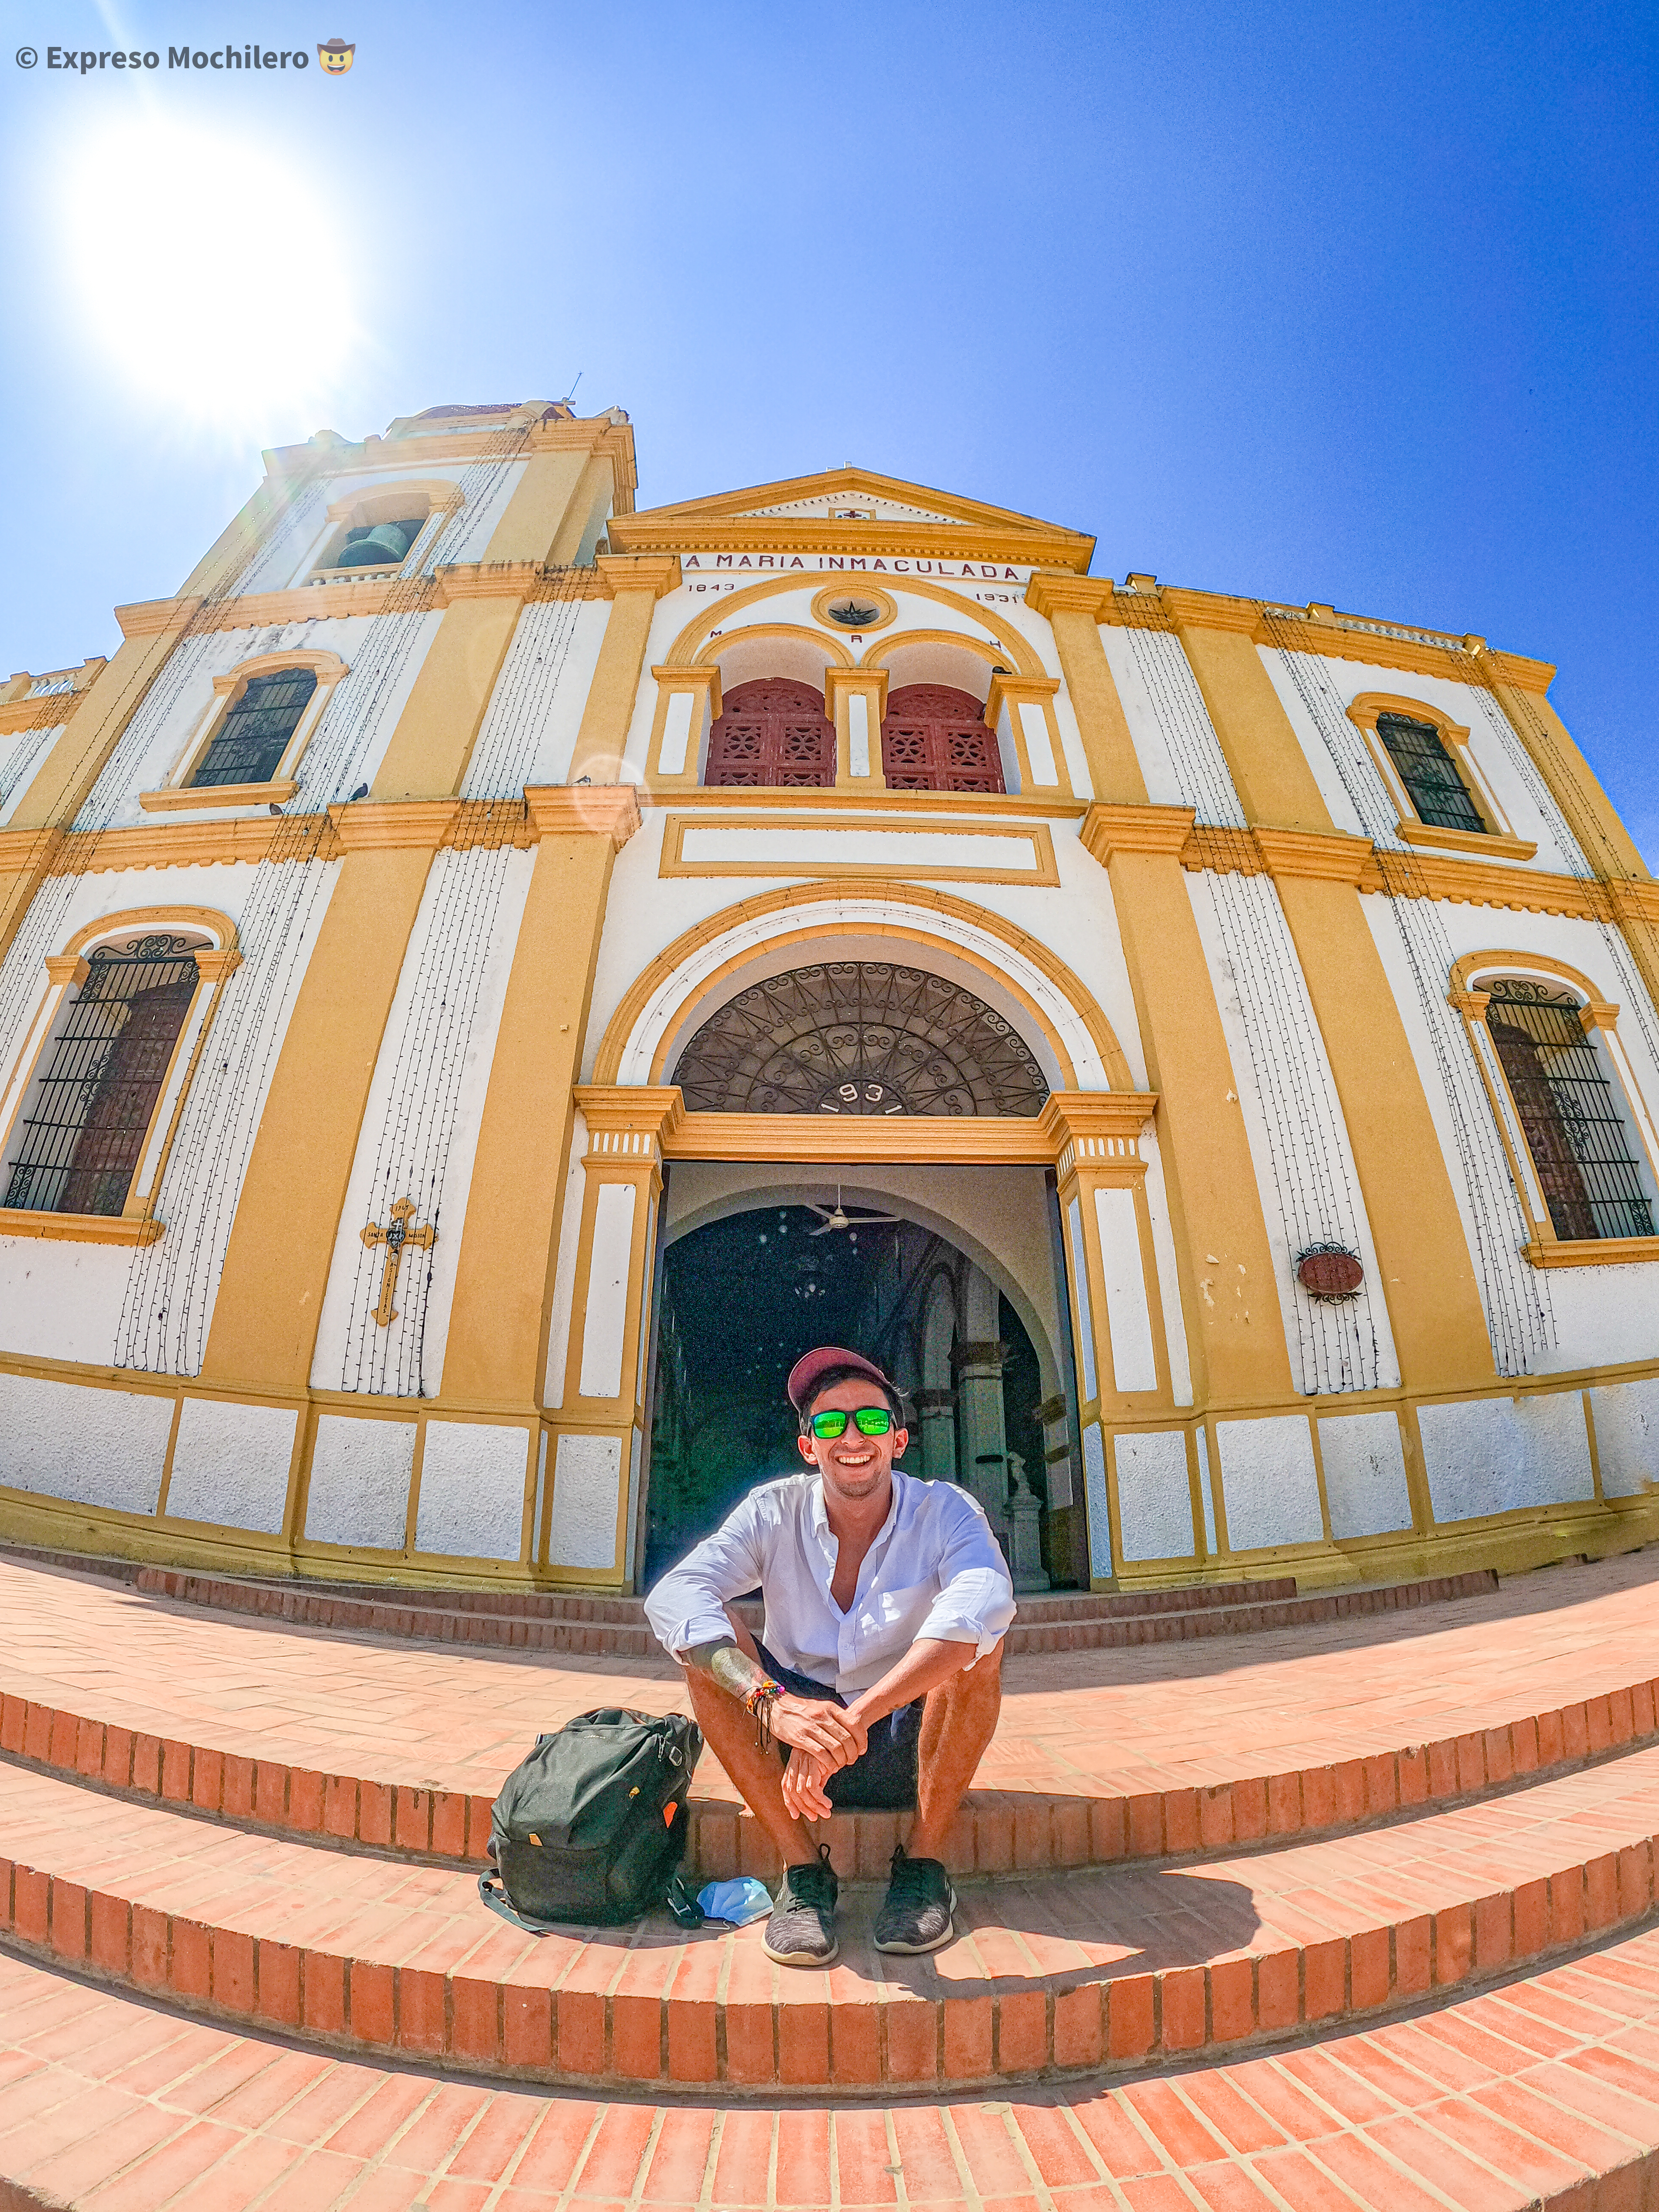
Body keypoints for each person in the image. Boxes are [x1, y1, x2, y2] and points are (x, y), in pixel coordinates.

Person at [644, 1345, 1015, 1967]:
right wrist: (775, 1705)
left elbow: (984, 1598)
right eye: (828, 1423)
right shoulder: (772, 1509)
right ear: (808, 1448)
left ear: (898, 1441)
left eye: (871, 1421)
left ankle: (923, 1867)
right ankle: (803, 1874)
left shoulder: (945, 1510)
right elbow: (677, 1593)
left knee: (980, 1645)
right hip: (791, 1741)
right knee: (706, 1648)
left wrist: (857, 1717)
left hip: (903, 1732)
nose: (851, 1436)